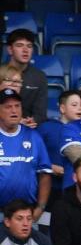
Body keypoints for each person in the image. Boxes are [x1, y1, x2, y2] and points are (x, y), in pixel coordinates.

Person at [0, 88, 52, 216]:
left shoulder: (34, 136)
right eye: (8, 107)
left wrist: (40, 207)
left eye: (17, 106)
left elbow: (45, 174)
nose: (14, 110)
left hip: (26, 213)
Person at [4, 29, 47, 126]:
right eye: (19, 45)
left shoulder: (39, 76)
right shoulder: (1, 73)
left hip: (29, 127)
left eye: (29, 46)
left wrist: (31, 121)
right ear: (10, 49)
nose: (25, 50)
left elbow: (40, 113)